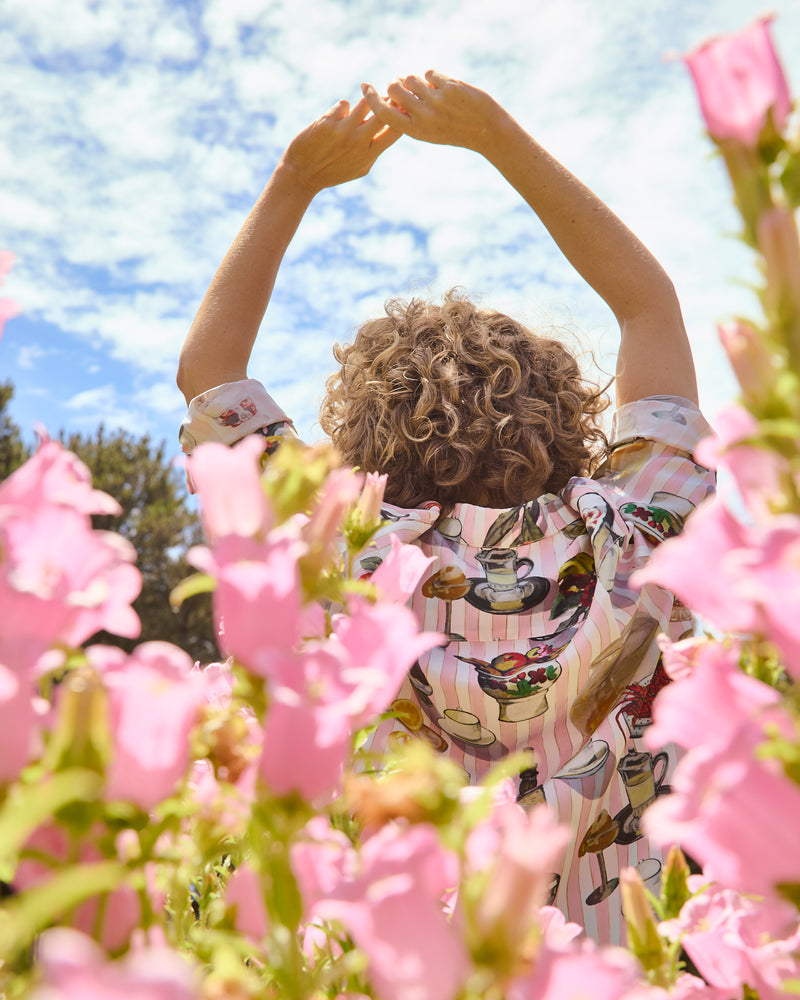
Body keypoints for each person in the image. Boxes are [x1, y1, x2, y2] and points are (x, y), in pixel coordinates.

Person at [177, 73, 715, 944]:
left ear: (366, 442)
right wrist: (498, 137)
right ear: (561, 415)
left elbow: (210, 374)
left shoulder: (338, 555)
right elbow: (647, 304)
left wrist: (294, 182)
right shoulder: (640, 533)